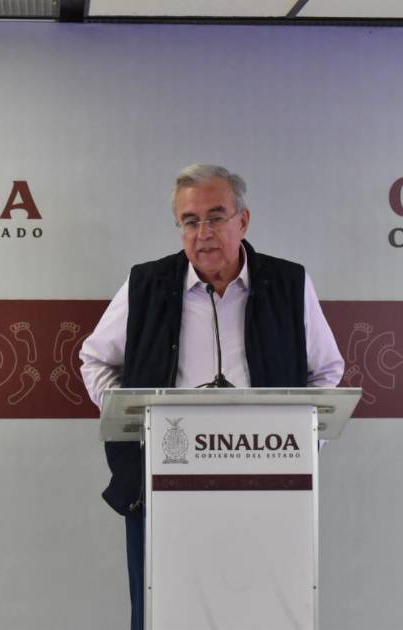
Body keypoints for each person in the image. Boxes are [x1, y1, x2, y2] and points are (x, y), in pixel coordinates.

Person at [79, 163, 344, 630]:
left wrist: (300, 445)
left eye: (216, 217)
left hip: (268, 486)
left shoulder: (289, 284)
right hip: (163, 486)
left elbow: (326, 371)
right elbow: (96, 359)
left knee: (261, 611)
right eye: (190, 221)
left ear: (243, 221)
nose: (203, 233)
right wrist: (133, 421)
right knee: (166, 613)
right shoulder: (146, 285)